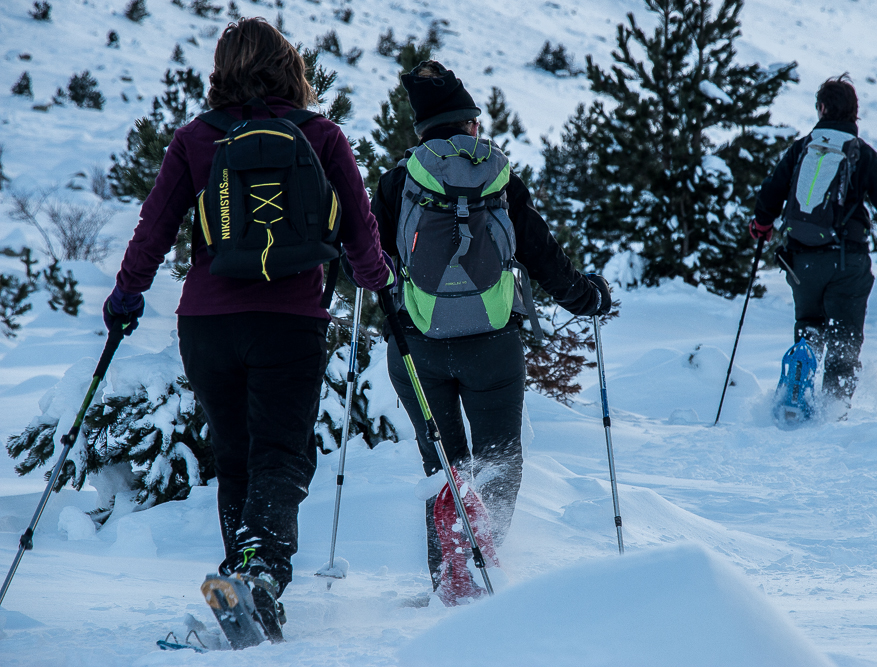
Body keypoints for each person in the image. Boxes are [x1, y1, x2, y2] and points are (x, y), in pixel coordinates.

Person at [103, 18, 392, 642]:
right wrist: (377, 279)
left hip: (206, 324)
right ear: (290, 67)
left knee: (236, 456)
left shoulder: (196, 138)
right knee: (281, 454)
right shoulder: (320, 134)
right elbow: (362, 232)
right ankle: (257, 573)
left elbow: (153, 227)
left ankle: (242, 575)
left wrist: (126, 295)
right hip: (289, 320)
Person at [370, 60, 611, 602]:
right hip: (494, 346)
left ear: (423, 131)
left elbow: (366, 262)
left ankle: (446, 583)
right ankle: (486, 564)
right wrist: (587, 296)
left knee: (444, 466)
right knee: (500, 459)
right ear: (470, 124)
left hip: (418, 347)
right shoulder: (500, 178)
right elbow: (543, 258)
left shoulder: (396, 182)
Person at [750, 74, 877, 414]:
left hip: (801, 261)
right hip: (847, 263)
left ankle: (800, 376)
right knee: (844, 341)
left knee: (810, 324)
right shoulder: (862, 155)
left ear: (823, 109)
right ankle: (833, 408)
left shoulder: (802, 148)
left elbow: (771, 191)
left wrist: (762, 225)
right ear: (854, 113)